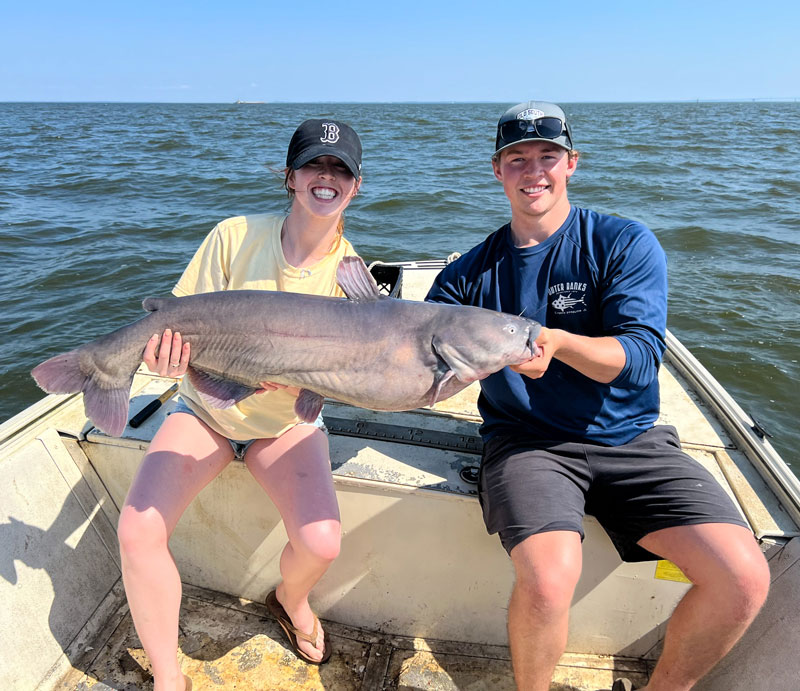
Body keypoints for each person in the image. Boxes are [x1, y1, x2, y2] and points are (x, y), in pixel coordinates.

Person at [425, 101, 770, 691]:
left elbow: (639, 360)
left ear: (572, 164)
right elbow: (418, 369)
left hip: (633, 440)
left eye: (548, 157)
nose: (534, 171)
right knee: (549, 580)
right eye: (517, 159)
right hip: (528, 444)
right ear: (497, 171)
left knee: (744, 576)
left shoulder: (621, 243)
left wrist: (558, 343)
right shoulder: (467, 278)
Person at [117, 119, 363, 691]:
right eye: (313, 166)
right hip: (205, 411)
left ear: (357, 184)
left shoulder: (353, 278)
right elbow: (177, 322)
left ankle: (289, 599)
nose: (325, 178)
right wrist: (169, 362)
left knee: (322, 541)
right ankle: (168, 676)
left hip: (284, 425)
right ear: (289, 177)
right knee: (137, 530)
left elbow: (338, 380)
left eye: (339, 169)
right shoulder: (233, 235)